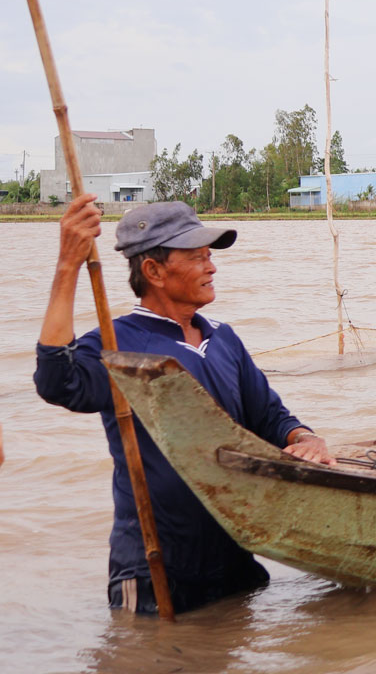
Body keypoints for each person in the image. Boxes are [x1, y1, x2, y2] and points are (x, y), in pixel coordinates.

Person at [34, 197, 335, 616]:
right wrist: (68, 265)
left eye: (210, 256)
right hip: (155, 568)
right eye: (197, 258)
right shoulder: (116, 343)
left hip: (235, 562)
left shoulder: (223, 337)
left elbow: (271, 418)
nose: (211, 267)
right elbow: (56, 382)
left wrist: (307, 440)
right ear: (154, 271)